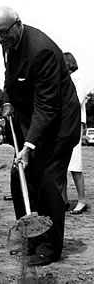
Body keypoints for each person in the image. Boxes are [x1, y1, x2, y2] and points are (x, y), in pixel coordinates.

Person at [0, 6, 80, 266]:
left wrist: (28, 145)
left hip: (58, 125)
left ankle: (49, 248)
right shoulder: (9, 42)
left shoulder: (41, 50)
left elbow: (47, 105)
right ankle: (30, 236)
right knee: (20, 179)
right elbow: (10, 79)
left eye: (4, 33)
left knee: (48, 183)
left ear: (18, 25)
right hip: (32, 121)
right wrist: (8, 102)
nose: (0, 39)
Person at [62, 52, 88, 214]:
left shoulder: (78, 78)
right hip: (63, 124)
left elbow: (77, 100)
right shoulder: (63, 79)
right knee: (61, 163)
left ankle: (81, 200)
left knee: (75, 163)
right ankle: (63, 200)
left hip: (74, 123)